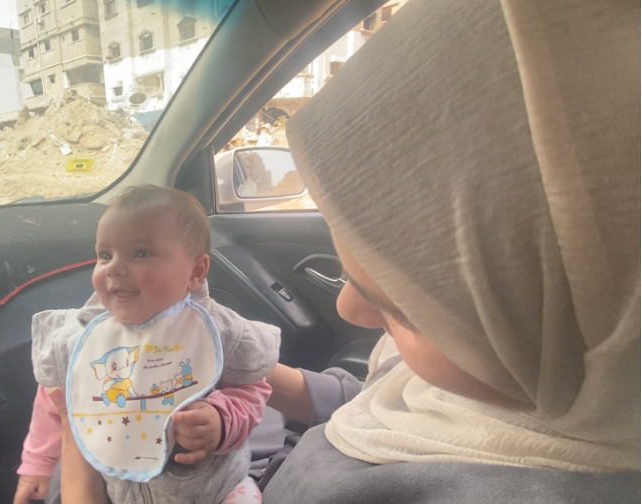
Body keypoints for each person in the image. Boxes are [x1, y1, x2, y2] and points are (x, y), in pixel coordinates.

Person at [42, 0, 641, 502]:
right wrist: (218, 359)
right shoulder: (517, 381)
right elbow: (378, 392)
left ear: (558, 317)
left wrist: (83, 434)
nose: (350, 309)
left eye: (400, 307)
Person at [13, 185, 280, 504]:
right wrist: (37, 465)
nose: (114, 267)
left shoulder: (217, 331)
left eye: (140, 253)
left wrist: (222, 421)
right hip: (119, 490)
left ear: (195, 271)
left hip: (217, 490)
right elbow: (54, 398)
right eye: (105, 255)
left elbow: (253, 389)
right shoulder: (81, 336)